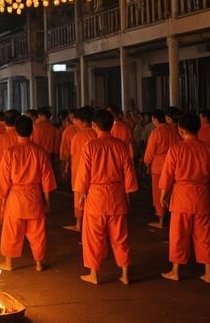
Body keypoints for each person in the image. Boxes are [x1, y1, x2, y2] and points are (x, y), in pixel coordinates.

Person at [74, 110, 137, 285]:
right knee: (120, 237)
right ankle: (125, 274)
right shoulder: (121, 145)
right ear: (112, 125)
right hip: (117, 196)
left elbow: (83, 174)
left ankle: (94, 274)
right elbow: (128, 173)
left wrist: (81, 194)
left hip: (96, 196)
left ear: (94, 126)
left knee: (94, 237)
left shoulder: (90, 146)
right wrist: (128, 194)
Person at [160, 114, 210, 283]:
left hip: (182, 196)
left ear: (181, 130)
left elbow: (168, 175)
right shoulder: (207, 149)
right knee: (205, 235)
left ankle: (175, 270)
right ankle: (208, 273)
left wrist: (164, 195)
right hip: (202, 195)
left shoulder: (177, 149)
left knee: (179, 235)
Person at [0, 116, 56, 272]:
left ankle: (9, 263)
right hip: (35, 197)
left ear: (15, 131)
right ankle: (38, 263)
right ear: (32, 131)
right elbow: (47, 179)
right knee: (37, 233)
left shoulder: (10, 152)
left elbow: (3, 180)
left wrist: (2, 202)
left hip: (15, 198)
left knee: (11, 232)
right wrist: (47, 201)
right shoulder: (40, 151)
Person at [142, 110, 181, 229]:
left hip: (158, 165)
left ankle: (161, 220)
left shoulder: (156, 132)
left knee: (158, 192)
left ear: (154, 119)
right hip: (172, 163)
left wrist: (147, 163)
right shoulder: (173, 131)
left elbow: (149, 152)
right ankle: (171, 217)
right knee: (171, 190)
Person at [63, 107, 97, 232]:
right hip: (94, 171)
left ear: (81, 120)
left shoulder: (78, 136)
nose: (74, 121)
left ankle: (79, 224)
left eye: (75, 119)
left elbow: (71, 154)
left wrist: (66, 167)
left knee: (79, 197)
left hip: (79, 171)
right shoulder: (95, 133)